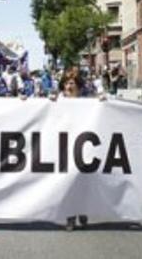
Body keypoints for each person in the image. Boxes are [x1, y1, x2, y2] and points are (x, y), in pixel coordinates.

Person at [51, 70, 105, 231]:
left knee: (81, 180)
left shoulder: (87, 103)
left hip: (83, 147)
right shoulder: (57, 101)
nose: (69, 86)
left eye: (73, 83)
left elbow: (101, 107)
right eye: (67, 83)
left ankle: (81, 209)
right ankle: (70, 217)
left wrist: (101, 98)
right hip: (64, 147)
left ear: (79, 87)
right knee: (68, 180)